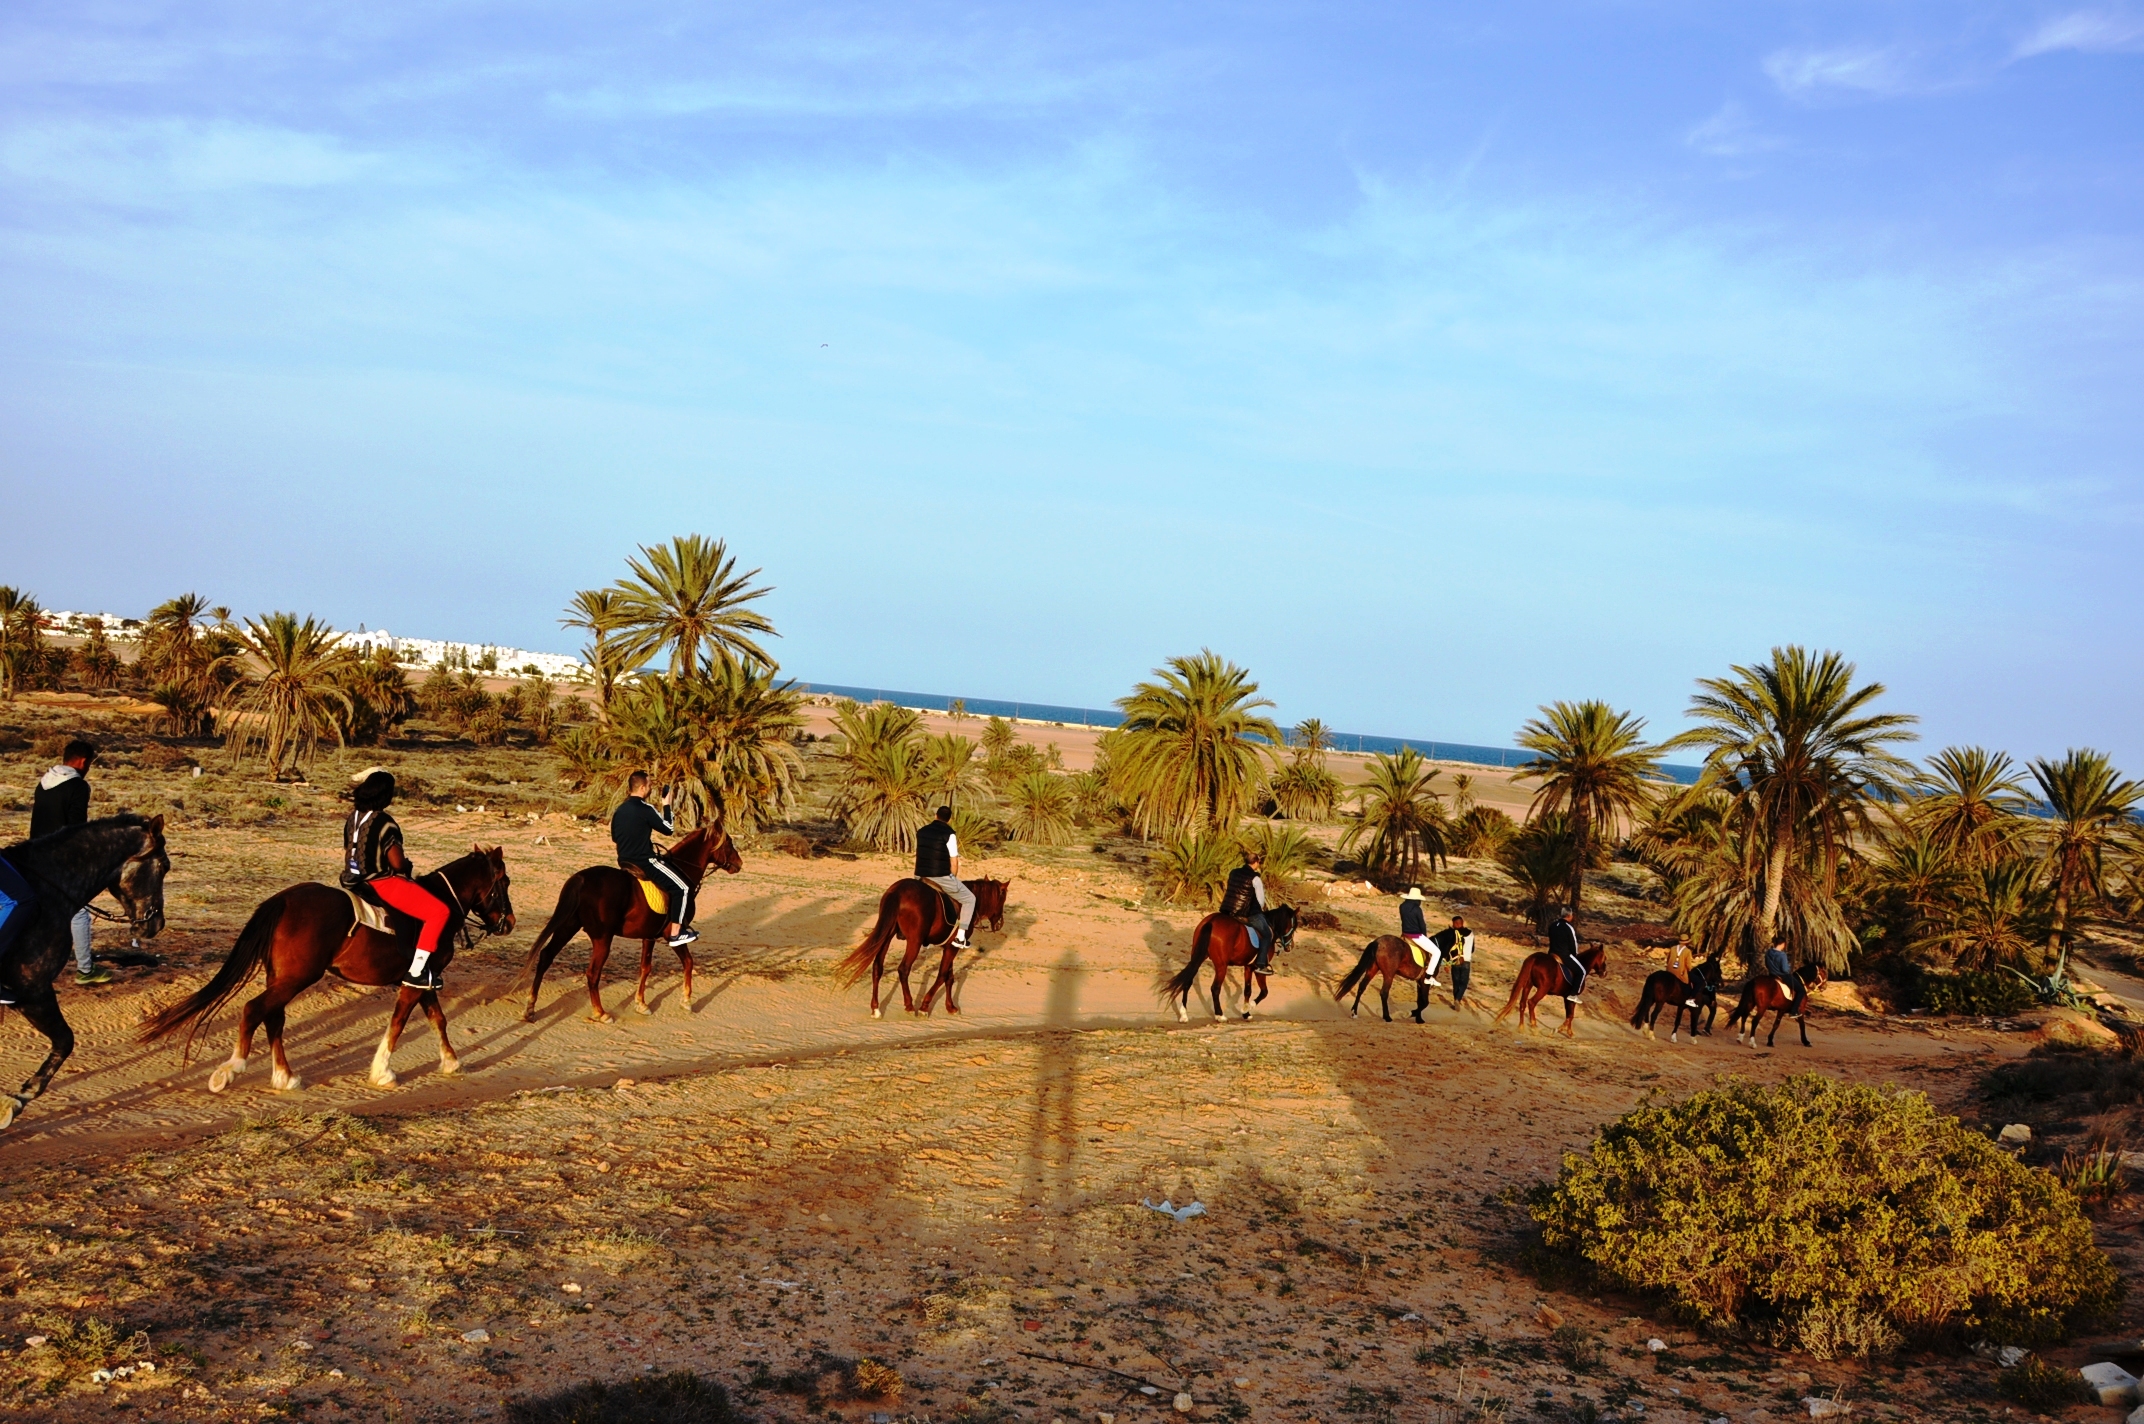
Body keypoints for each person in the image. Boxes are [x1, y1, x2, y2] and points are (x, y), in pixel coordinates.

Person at [342, 768, 455, 989]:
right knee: (439, 912)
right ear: (385, 795)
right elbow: (396, 862)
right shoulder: (384, 822)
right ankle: (416, 971)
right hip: (380, 882)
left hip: (351, 880)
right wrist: (406, 865)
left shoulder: (353, 818)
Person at [32, 738, 113, 986]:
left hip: (34, 855)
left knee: (39, 913)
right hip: (61, 859)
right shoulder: (78, 786)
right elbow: (76, 828)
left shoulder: (43, 783)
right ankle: (85, 970)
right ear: (83, 761)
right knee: (79, 914)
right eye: (89, 764)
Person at [611, 771, 697, 949]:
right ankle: (676, 933)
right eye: (649, 786)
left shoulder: (619, 810)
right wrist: (667, 805)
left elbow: (615, 836)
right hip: (645, 862)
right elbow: (668, 828)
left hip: (624, 861)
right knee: (683, 888)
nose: (651, 788)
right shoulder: (645, 809)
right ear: (642, 788)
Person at [913, 806, 975, 951]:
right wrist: (952, 878)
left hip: (919, 875)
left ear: (935, 816)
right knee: (969, 899)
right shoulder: (950, 834)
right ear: (950, 819)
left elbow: (919, 854)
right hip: (940, 876)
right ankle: (960, 936)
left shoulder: (921, 832)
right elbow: (954, 862)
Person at [1219, 850, 1275, 971]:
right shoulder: (1255, 878)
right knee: (1267, 934)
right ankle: (1261, 964)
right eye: (1258, 862)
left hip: (1227, 909)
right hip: (1245, 913)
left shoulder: (1233, 872)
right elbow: (1260, 900)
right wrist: (1259, 908)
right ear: (1255, 863)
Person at [1398, 887, 1441, 986]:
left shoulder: (1402, 906)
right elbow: (1422, 925)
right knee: (1437, 952)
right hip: (1416, 936)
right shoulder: (1417, 909)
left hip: (1405, 933)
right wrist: (1424, 936)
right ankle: (1428, 977)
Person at [1433, 914, 1475, 1005]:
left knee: (1456, 981)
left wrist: (1446, 963)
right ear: (1462, 923)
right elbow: (1472, 949)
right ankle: (1458, 999)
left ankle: (1456, 999)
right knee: (1464, 982)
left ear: (1454, 923)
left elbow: (1446, 948)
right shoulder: (1470, 933)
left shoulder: (1451, 934)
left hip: (1454, 960)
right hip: (1466, 960)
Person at [1548, 905, 1585, 1001]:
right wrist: (1574, 955)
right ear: (1569, 915)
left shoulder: (1552, 925)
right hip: (1564, 955)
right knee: (1582, 972)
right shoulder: (1569, 927)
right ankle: (1573, 994)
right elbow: (1573, 944)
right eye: (1572, 915)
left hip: (1551, 953)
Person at [1764, 937, 1804, 1006]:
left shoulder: (1768, 952)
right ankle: (1794, 1011)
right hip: (1782, 976)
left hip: (1771, 974)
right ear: (1783, 944)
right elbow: (1784, 970)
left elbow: (1767, 964)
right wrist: (1789, 967)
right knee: (1801, 990)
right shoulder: (1782, 955)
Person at [1666, 938, 1699, 1009]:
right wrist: (1689, 970)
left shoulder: (1672, 948)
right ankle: (1691, 999)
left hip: (1669, 971)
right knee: (1698, 981)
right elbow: (1688, 965)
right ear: (1687, 942)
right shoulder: (1687, 951)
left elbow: (1668, 960)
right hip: (1680, 973)